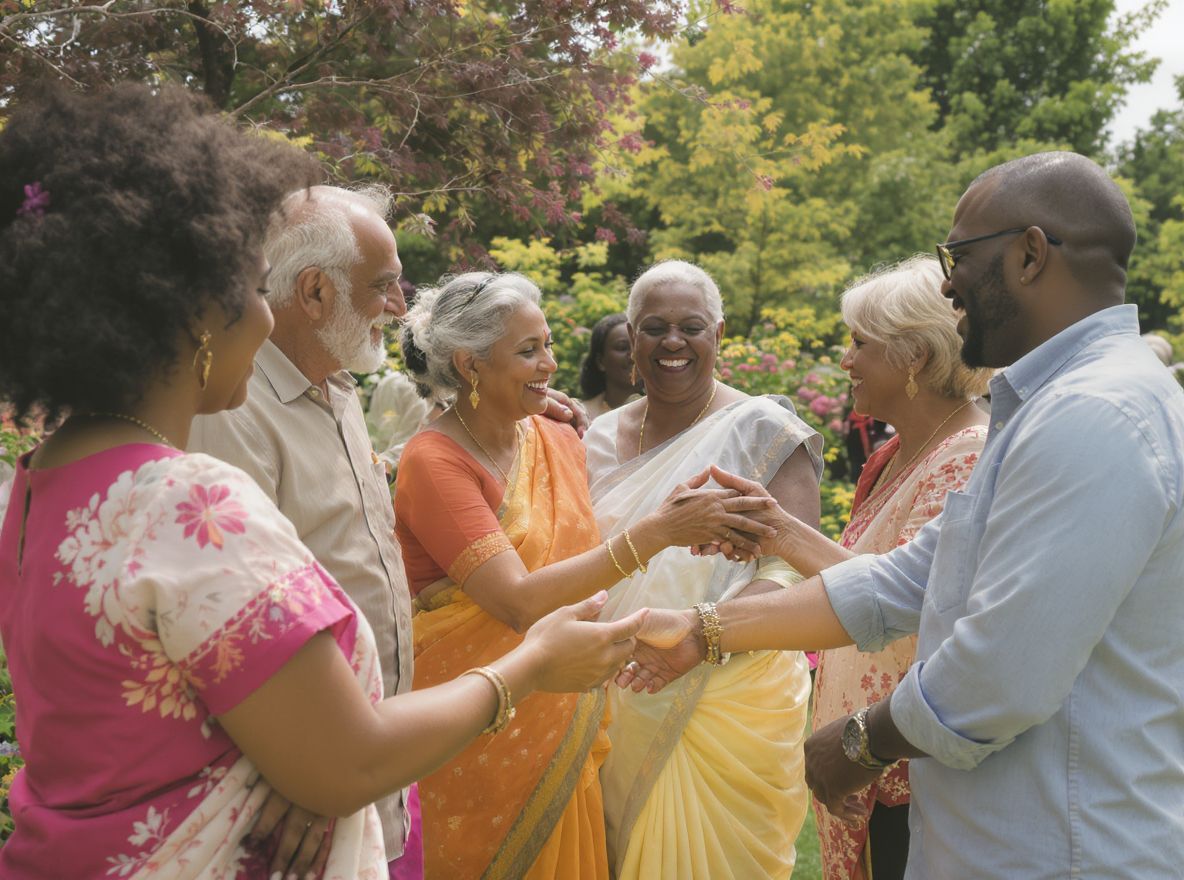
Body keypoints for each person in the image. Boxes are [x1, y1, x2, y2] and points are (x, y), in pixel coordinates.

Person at [0, 82, 649, 879]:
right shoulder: (190, 500)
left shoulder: (48, 481)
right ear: (198, 313)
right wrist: (534, 663)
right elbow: (346, 759)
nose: (267, 313)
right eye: (250, 285)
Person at [626, 152, 1184, 879]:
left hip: (1065, 850)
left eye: (958, 256)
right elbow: (906, 580)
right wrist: (702, 631)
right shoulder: (1057, 405)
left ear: (1029, 255)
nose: (948, 283)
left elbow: (999, 675)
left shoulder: (1095, 415)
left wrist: (860, 741)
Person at [393, 271, 774, 880]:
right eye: (528, 351)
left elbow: (584, 554)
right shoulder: (434, 460)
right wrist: (657, 532)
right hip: (479, 727)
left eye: (546, 343)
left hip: (562, 719)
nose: (549, 363)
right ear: (469, 366)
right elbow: (517, 602)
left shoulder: (552, 434)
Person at [188, 182, 426, 875]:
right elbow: (228, 628)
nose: (401, 308)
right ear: (316, 292)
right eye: (385, 287)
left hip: (375, 780)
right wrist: (302, 774)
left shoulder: (338, 384)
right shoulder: (234, 410)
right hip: (305, 804)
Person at [583, 260, 824, 879]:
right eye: (654, 327)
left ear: (718, 333)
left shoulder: (764, 431)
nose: (672, 342)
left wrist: (702, 634)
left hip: (729, 695)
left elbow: (792, 571)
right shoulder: (594, 438)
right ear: (630, 337)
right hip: (612, 687)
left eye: (691, 326)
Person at [811, 255, 989, 880]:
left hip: (906, 766)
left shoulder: (966, 455)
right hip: (864, 756)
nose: (845, 359)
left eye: (859, 342)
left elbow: (902, 598)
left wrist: (779, 534)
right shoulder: (891, 453)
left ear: (914, 356)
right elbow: (860, 573)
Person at [579, 313, 643, 420]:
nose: (633, 355)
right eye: (622, 347)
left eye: (638, 347)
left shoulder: (665, 411)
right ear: (600, 362)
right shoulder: (580, 414)